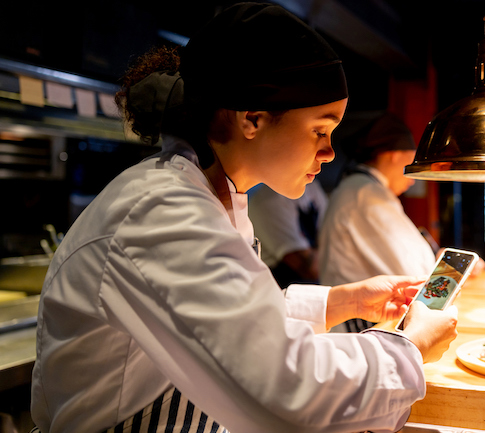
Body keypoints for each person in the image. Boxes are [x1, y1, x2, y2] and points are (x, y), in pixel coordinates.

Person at [30, 4, 458, 433]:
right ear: (251, 118)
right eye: (319, 130)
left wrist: (341, 302)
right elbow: (287, 392)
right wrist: (411, 345)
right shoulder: (162, 211)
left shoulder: (215, 195)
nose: (329, 153)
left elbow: (226, 316)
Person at [318, 113, 485, 332]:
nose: (413, 177)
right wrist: (452, 269)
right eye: (412, 159)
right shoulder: (366, 195)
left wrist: (443, 261)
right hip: (362, 328)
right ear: (394, 155)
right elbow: (415, 274)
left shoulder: (360, 189)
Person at [247, 179, 327, 286]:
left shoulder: (311, 186)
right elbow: (311, 269)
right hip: (283, 289)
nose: (324, 161)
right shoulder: (269, 200)